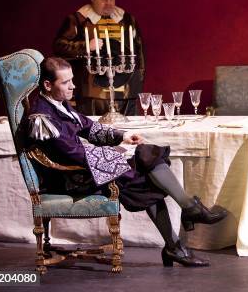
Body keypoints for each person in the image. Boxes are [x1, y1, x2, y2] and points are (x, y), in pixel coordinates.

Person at [24, 57, 227, 266]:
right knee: (147, 166)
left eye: (72, 80)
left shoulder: (58, 104)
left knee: (146, 156)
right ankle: (186, 220)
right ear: (48, 85)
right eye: (65, 82)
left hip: (85, 169)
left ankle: (180, 232)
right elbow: (74, 154)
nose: (73, 86)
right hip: (70, 179)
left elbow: (89, 127)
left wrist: (122, 137)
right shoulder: (42, 117)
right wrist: (118, 153)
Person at [54, 0, 145, 116]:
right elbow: (59, 46)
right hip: (91, 95)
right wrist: (86, 46)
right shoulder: (78, 19)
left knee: (129, 135)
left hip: (125, 95)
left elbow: (139, 54)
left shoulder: (127, 20)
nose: (108, 3)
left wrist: (137, 85)